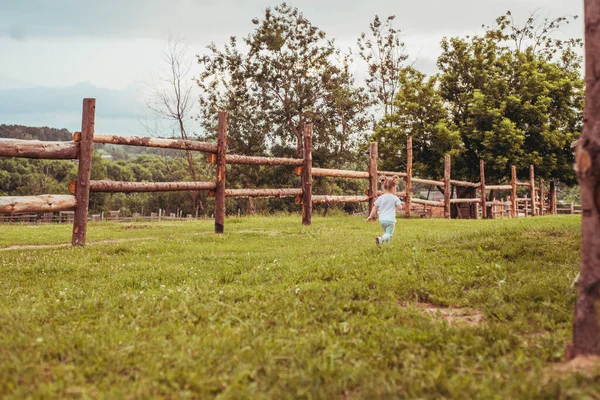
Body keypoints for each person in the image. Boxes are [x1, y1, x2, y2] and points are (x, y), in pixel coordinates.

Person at [366, 175, 403, 245]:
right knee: (389, 234)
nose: (395, 190)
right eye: (395, 189)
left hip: (382, 220)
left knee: (386, 233)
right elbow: (399, 208)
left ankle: (387, 245)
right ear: (393, 188)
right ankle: (381, 239)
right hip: (390, 220)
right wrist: (399, 204)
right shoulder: (395, 198)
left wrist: (371, 216)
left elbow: (375, 207)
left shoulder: (380, 198)